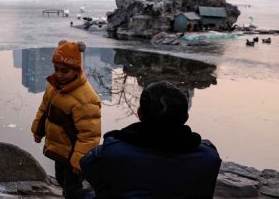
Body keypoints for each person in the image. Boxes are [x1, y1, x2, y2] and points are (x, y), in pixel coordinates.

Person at [80, 81, 221, 198]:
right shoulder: (209, 157)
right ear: (186, 118)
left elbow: (86, 165)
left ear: (140, 113)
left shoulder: (112, 150)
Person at [31, 40, 102, 199]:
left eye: (65, 71)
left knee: (73, 188)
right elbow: (44, 110)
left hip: (73, 152)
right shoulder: (54, 86)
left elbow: (89, 134)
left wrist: (79, 161)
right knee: (62, 180)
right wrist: (38, 131)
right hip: (59, 149)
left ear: (76, 70)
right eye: (56, 69)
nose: (59, 74)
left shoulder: (85, 99)